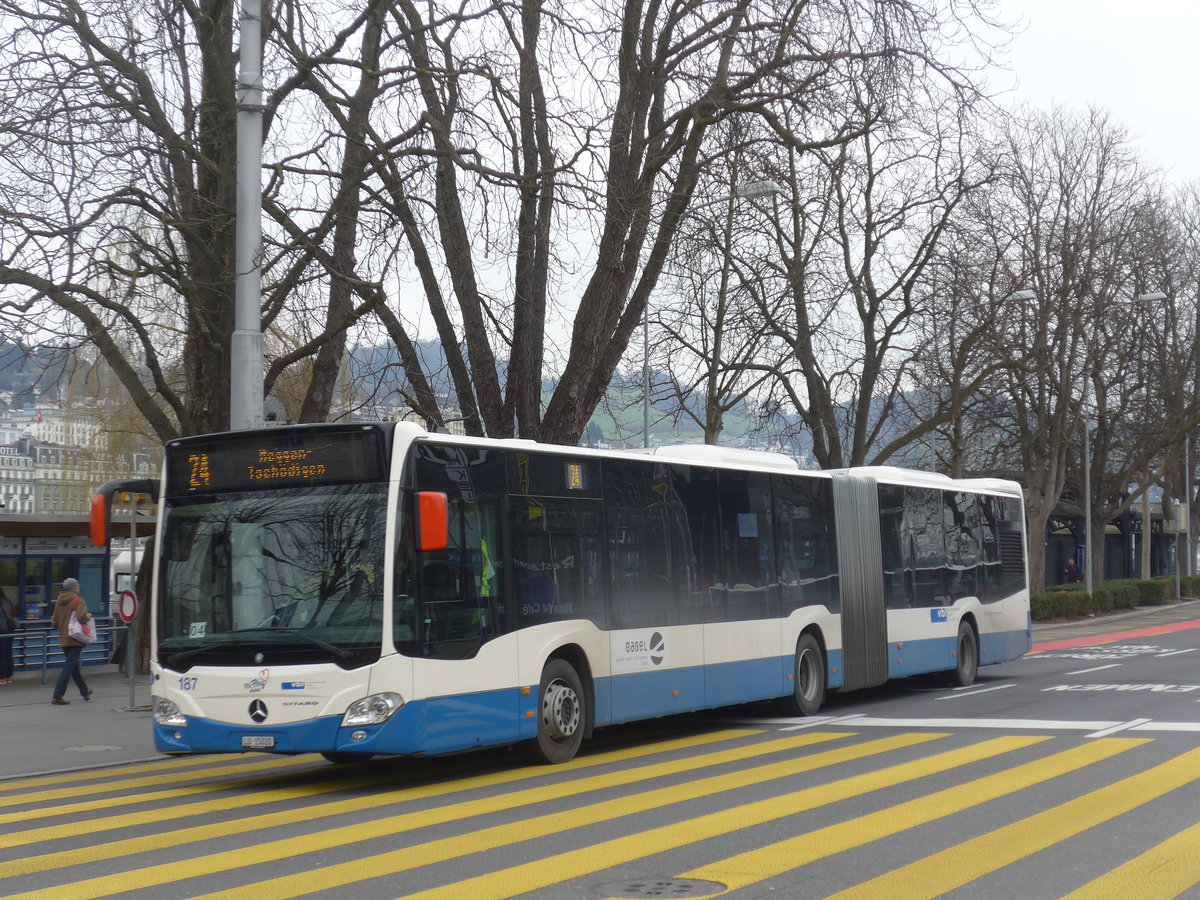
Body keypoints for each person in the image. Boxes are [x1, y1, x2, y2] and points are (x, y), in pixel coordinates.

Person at [50, 578, 92, 705]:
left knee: (74, 667)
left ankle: (84, 692)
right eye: (78, 585)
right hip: (75, 638)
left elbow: (54, 623)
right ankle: (57, 696)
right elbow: (82, 617)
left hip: (64, 638)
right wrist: (88, 616)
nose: (79, 587)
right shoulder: (78, 600)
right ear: (74, 588)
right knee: (69, 667)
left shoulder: (59, 601)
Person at [0, 588, 18, 685]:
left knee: (2, 655)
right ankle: (9, 677)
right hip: (10, 630)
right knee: (8, 653)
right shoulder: (9, 602)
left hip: (2, 631)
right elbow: (15, 614)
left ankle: (2, 677)